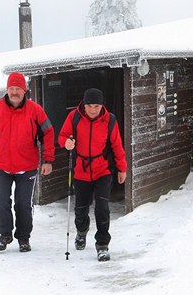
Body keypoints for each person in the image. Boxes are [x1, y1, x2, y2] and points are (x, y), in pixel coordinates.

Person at [0, 72, 55, 252]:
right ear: (7, 90)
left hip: (27, 167)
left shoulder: (35, 110)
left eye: (17, 89)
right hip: (1, 166)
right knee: (0, 201)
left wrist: (48, 160)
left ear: (24, 90)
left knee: (23, 204)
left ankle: (23, 238)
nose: (14, 92)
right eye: (11, 88)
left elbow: (48, 134)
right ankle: (4, 235)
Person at [58, 88, 127, 262]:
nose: (93, 110)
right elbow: (62, 136)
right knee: (81, 209)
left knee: (102, 208)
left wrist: (122, 168)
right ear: (84, 105)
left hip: (102, 169)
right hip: (81, 170)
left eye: (96, 106)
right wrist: (66, 142)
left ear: (101, 105)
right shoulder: (74, 117)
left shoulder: (109, 120)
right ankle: (81, 232)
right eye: (90, 106)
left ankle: (102, 245)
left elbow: (117, 146)